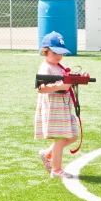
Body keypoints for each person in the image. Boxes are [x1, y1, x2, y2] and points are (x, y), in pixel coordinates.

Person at [35, 31, 79, 180]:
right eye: (55, 53)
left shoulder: (60, 65)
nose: (59, 56)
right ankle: (56, 169)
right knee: (60, 138)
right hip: (54, 107)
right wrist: (59, 86)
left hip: (64, 107)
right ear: (45, 51)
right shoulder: (45, 68)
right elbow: (40, 89)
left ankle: (48, 154)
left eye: (61, 53)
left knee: (72, 136)